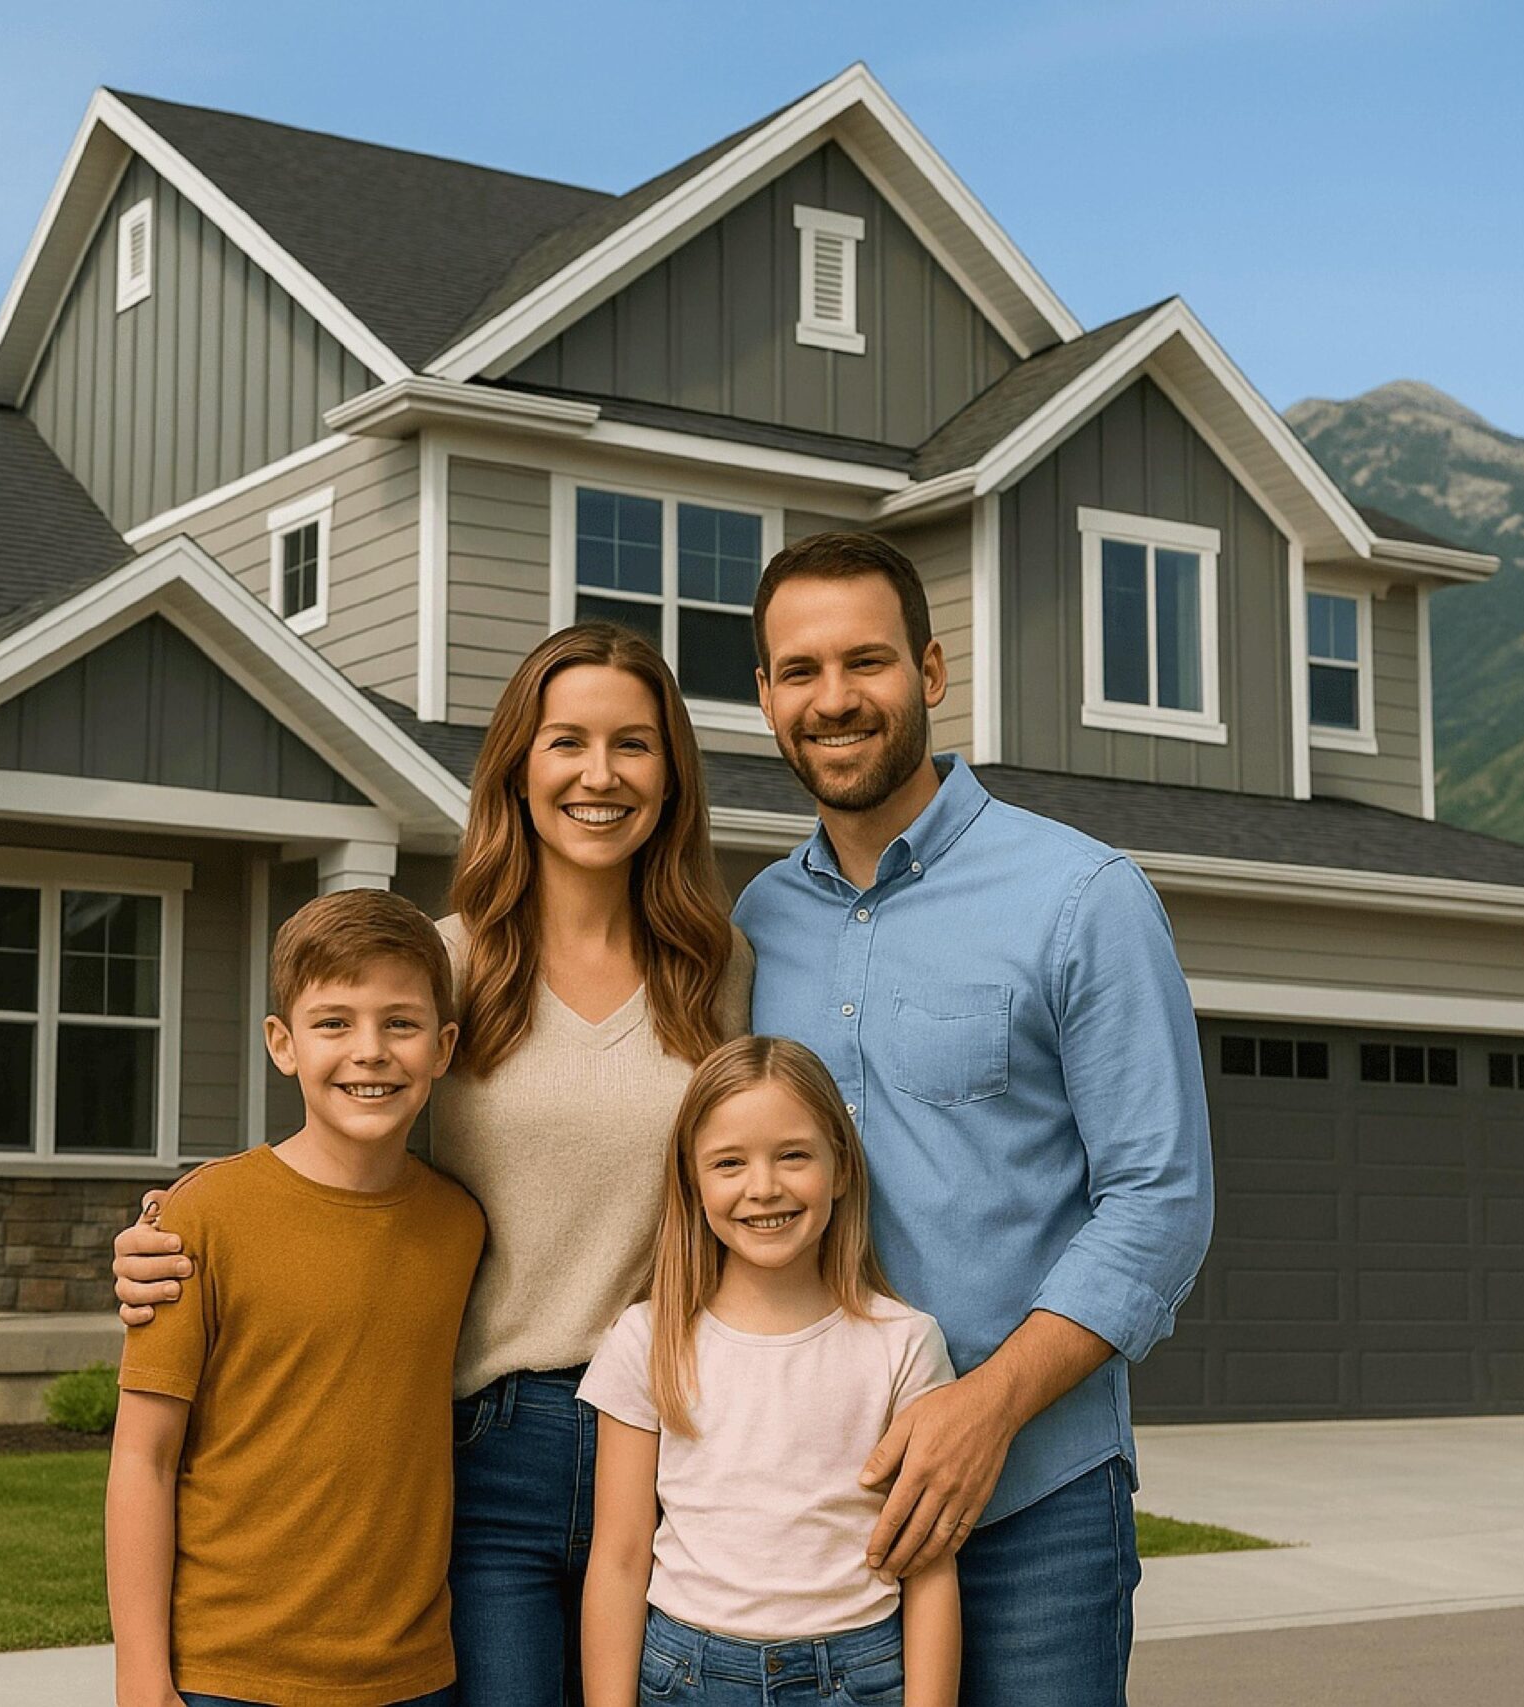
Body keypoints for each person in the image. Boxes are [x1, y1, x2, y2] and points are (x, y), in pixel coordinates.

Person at [116, 622, 750, 1704]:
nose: (599, 775)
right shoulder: (446, 964)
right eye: (566, 743)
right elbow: (333, 1153)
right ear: (516, 765)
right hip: (485, 1441)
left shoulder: (716, 967)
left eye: (633, 745)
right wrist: (162, 1241)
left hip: (676, 1435)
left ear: (672, 774)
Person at [736, 532, 1215, 1705]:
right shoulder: (754, 924)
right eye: (798, 671)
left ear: (932, 673)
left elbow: (1159, 1201)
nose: (834, 699)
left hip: (1032, 1508)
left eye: (867, 662)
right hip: (808, 1513)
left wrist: (983, 1408)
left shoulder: (1079, 897)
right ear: (763, 696)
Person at [106, 886, 484, 1707]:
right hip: (230, 1672)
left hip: (412, 1673)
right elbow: (143, 1457)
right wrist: (141, 1675)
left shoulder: (460, 1225)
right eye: (334, 1022)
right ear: (283, 1043)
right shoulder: (200, 1218)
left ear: (445, 1045)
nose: (371, 1049)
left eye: (402, 1022)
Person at [579, 1035, 958, 1707]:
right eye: (729, 1162)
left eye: (793, 1155)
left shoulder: (905, 1343)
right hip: (687, 1674)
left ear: (839, 1168)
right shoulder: (647, 1339)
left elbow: (928, 1568)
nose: (764, 1187)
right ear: (692, 1182)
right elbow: (619, 1556)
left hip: (858, 1670)